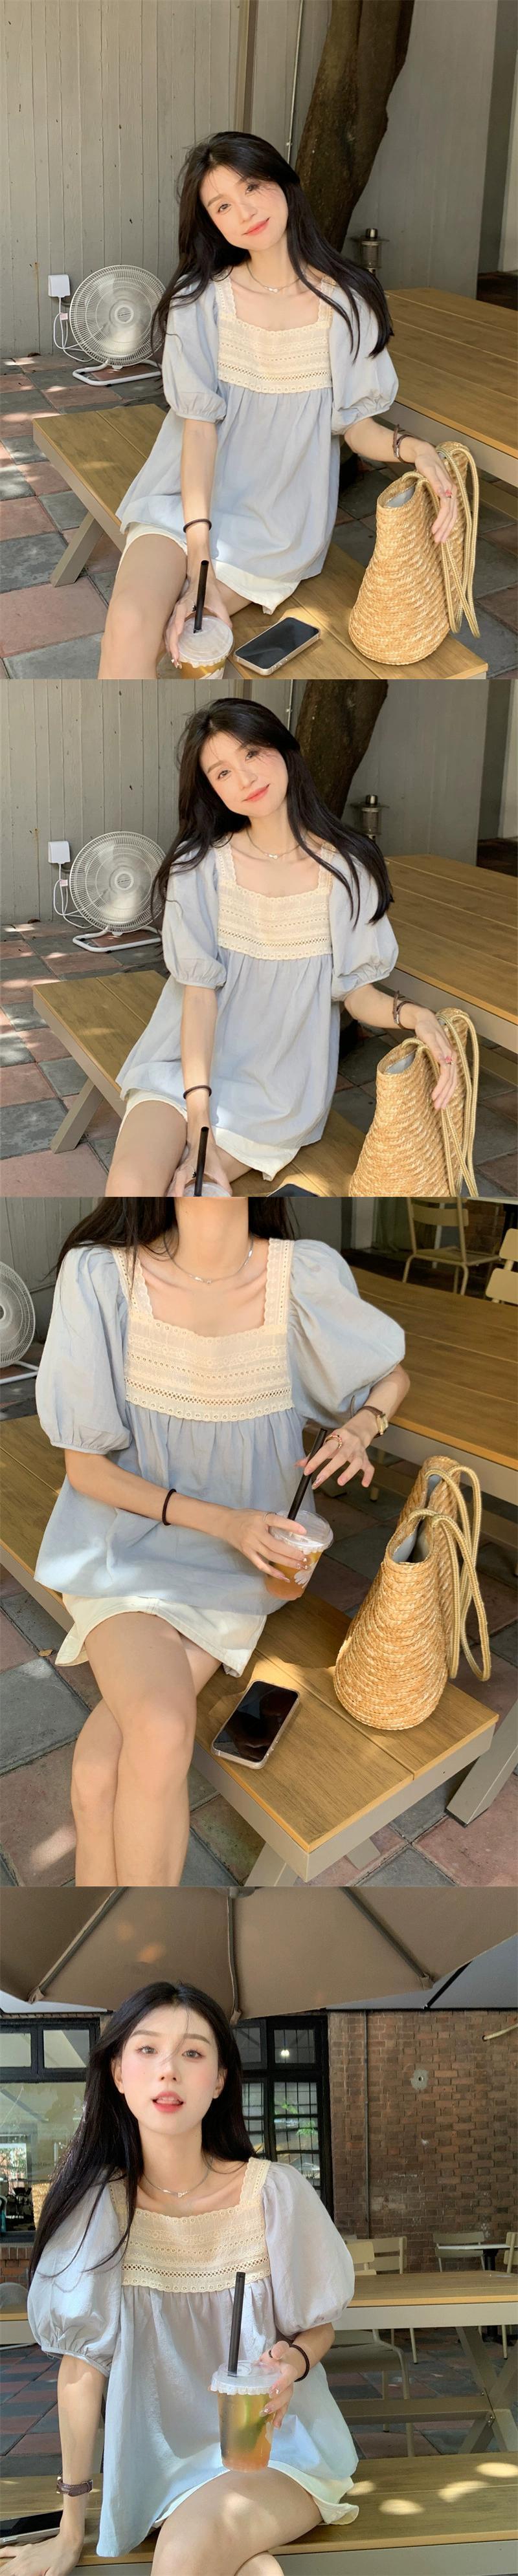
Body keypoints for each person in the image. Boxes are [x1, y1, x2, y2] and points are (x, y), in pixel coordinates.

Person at [33, 1194, 409, 1887]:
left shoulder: (302, 1275)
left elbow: (389, 1373)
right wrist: (225, 1522)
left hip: (244, 1568)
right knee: (156, 1731)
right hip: (127, 1550)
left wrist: (361, 1427)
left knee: (98, 1770)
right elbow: (85, 1471)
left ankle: (110, 1947)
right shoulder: (101, 1276)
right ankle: (147, 1944)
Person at [8, 1983, 359, 2574]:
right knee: (247, 2565)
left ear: (219, 2080)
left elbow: (318, 2325)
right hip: (155, 2470)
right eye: (147, 2050)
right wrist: (70, 2530)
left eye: (193, 2053)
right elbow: (79, 2373)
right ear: (118, 2073)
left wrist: (293, 2363)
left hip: (274, 2452)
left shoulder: (273, 2193)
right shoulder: (98, 2213)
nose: (168, 2069)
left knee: (187, 2555)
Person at [98, 131, 457, 678]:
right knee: (129, 622)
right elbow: (198, 430)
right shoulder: (201, 300)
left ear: (285, 184)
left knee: (192, 632)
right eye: (222, 205)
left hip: (277, 525)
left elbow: (356, 425)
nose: (244, 211)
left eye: (252, 187)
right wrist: (199, 558)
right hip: (184, 503)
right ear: (212, 224)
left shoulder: (347, 304)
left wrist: (414, 448)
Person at [106, 700, 457, 1197]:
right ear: (213, 790)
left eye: (252, 752)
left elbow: (356, 993)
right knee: (131, 1187)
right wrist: (199, 1116)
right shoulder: (199, 866)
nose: (245, 777)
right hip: (183, 1070)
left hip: (277, 1094)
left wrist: (414, 1015)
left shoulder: (348, 870)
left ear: (284, 749)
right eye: (223, 772)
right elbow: (199, 996)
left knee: (194, 1193)